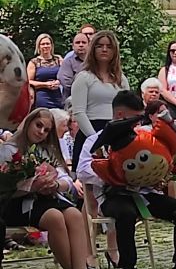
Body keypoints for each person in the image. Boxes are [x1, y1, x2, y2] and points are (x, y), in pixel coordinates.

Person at [77, 91, 176, 269]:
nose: (138, 123)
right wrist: (116, 173)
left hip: (145, 193)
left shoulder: (144, 136)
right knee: (126, 214)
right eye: (134, 118)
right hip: (114, 195)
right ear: (120, 115)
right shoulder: (97, 140)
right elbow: (83, 170)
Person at [0, 108, 94, 269]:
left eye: (46, 130)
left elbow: (67, 180)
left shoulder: (47, 150)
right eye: (39, 126)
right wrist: (30, 186)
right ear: (28, 122)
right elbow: (4, 187)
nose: (41, 132)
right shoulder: (8, 150)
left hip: (46, 199)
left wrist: (55, 184)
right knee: (55, 217)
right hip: (16, 203)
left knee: (75, 215)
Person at [70, 31, 130, 171]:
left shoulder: (121, 80)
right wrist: (95, 140)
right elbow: (79, 113)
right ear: (93, 49)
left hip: (116, 134)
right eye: (99, 46)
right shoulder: (84, 78)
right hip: (90, 132)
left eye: (109, 46)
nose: (104, 49)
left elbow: (128, 110)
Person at [27, 33, 63, 109]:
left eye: (47, 43)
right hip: (42, 98)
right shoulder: (33, 62)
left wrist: (58, 82)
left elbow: (65, 76)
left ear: (51, 45)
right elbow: (28, 81)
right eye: (43, 44)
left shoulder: (58, 59)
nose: (45, 46)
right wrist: (45, 84)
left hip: (58, 97)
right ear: (38, 46)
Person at [57, 32, 89, 101]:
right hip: (73, 101)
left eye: (84, 42)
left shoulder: (95, 62)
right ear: (73, 46)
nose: (81, 45)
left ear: (89, 45)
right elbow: (66, 83)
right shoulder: (67, 62)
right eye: (77, 43)